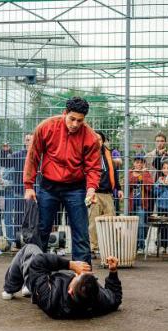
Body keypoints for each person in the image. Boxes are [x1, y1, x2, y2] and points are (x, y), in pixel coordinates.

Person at [23, 97, 101, 265]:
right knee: (41, 230)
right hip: (48, 187)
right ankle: (32, 274)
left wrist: (91, 188)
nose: (75, 124)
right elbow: (33, 156)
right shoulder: (46, 127)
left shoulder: (91, 137)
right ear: (65, 113)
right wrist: (29, 186)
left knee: (81, 233)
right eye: (72, 119)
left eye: (79, 121)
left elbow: (93, 167)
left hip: (76, 188)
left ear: (84, 119)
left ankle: (82, 280)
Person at [1, 243, 122, 319]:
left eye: (77, 276)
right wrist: (113, 272)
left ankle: (10, 288)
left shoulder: (50, 300)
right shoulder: (98, 301)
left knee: (30, 249)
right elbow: (115, 298)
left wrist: (70, 265)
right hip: (55, 281)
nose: (79, 273)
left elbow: (38, 262)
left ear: (70, 291)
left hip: (42, 286)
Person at [88, 131, 123, 257]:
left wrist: (118, 188)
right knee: (93, 221)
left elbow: (114, 171)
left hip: (108, 193)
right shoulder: (87, 152)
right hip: (94, 192)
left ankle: (109, 247)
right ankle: (93, 247)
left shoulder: (108, 153)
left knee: (110, 221)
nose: (97, 141)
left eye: (99, 139)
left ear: (103, 141)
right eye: (95, 139)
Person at [1, 134, 33, 247]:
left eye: (32, 140)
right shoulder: (18, 154)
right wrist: (5, 151)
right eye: (28, 140)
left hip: (35, 193)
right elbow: (6, 163)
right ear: (24, 142)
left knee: (33, 218)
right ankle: (18, 241)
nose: (30, 142)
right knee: (19, 217)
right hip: (20, 192)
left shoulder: (40, 154)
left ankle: (33, 242)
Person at [128, 155, 154, 252]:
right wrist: (137, 177)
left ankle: (141, 246)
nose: (139, 164)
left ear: (144, 164)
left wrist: (142, 176)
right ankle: (132, 245)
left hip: (142, 204)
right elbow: (128, 183)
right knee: (131, 225)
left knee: (141, 225)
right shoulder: (130, 172)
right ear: (134, 163)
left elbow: (150, 186)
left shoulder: (146, 173)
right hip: (131, 204)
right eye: (137, 162)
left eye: (141, 163)